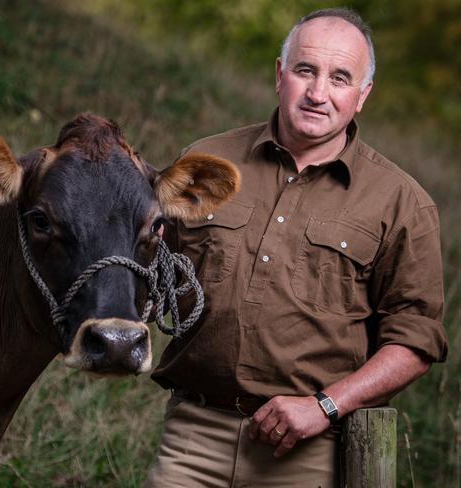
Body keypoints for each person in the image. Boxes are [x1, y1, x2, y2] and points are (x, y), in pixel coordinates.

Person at [145, 7, 448, 488]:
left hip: (310, 451)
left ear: (362, 95)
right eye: (305, 70)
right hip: (192, 436)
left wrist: (324, 407)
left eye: (340, 77)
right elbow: (149, 271)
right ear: (280, 74)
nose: (318, 93)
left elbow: (414, 342)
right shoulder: (208, 161)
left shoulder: (401, 203)